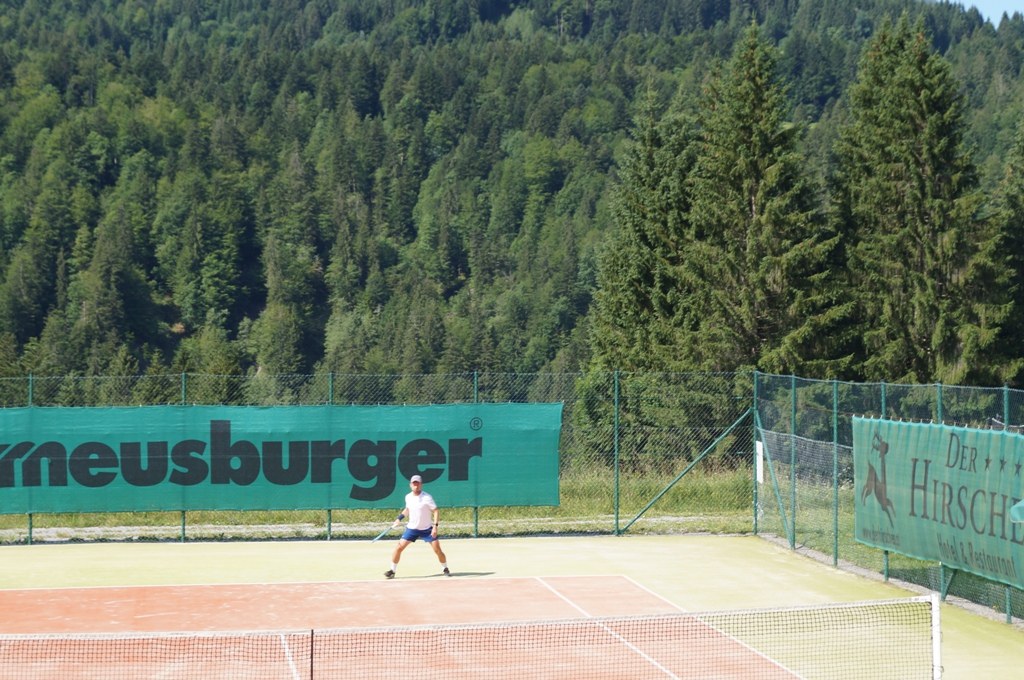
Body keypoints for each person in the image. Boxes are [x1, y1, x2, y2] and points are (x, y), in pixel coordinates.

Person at [384, 474, 450, 579]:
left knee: (437, 550)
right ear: (410, 485)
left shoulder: (427, 497)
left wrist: (435, 527)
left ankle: (445, 568)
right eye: (414, 483)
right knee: (399, 548)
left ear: (421, 484)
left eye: (418, 483)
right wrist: (399, 518)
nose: (416, 485)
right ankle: (392, 571)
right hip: (412, 529)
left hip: (427, 529)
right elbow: (407, 509)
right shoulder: (408, 497)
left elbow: (436, 511)